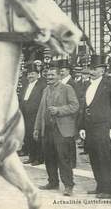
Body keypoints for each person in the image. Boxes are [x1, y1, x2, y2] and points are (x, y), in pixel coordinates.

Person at [78, 55, 111, 199]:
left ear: (102, 71)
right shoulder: (87, 85)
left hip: (104, 128)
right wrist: (82, 127)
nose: (91, 71)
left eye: (95, 69)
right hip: (90, 128)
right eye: (90, 69)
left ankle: (110, 190)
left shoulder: (109, 85)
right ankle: (100, 186)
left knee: (104, 159)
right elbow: (84, 107)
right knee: (94, 158)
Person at [34, 66, 79, 196]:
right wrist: (37, 128)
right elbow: (41, 110)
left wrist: (59, 110)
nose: (49, 77)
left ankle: (68, 186)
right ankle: (53, 182)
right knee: (49, 157)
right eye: (48, 75)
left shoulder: (67, 88)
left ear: (59, 76)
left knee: (63, 158)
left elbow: (75, 106)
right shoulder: (46, 90)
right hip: (47, 129)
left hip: (62, 130)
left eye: (52, 75)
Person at [18, 62, 46, 165]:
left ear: (37, 74)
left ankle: (39, 158)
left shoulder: (42, 85)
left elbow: (43, 101)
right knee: (28, 137)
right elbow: (21, 99)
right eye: (29, 74)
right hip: (25, 115)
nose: (30, 76)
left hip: (36, 115)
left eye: (33, 73)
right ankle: (31, 156)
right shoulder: (25, 85)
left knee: (36, 137)